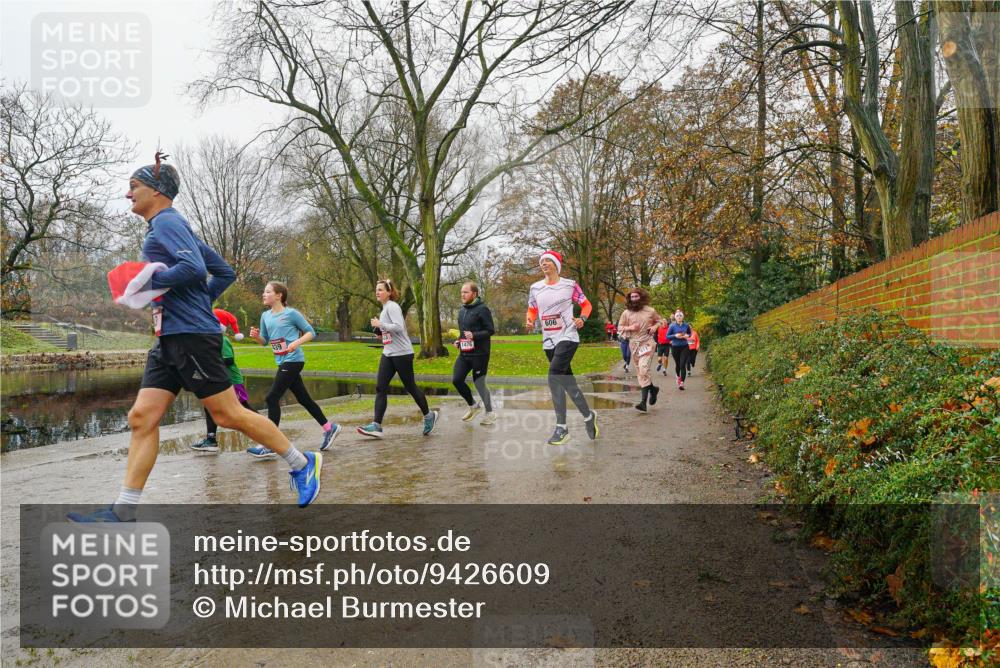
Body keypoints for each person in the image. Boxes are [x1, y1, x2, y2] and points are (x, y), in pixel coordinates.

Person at [69, 153, 322, 521]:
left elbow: (192, 268)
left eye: (134, 186)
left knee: (227, 414)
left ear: (157, 190)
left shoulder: (167, 222)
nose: (128, 194)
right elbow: (223, 271)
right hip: (170, 337)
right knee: (142, 417)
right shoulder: (172, 227)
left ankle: (302, 463)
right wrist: (199, 301)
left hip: (191, 336)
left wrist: (146, 282)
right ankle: (123, 512)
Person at [245, 282, 342, 459]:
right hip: (282, 362)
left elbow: (310, 332)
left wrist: (296, 343)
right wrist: (257, 337)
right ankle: (329, 428)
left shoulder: (291, 314)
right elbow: (265, 341)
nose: (263, 294)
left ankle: (271, 444)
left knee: (271, 397)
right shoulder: (265, 316)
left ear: (279, 295)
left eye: (267, 291)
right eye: (264, 292)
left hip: (294, 360)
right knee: (304, 399)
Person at [525, 250, 599, 445]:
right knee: (568, 383)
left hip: (568, 336)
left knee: (554, 375)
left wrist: (582, 318)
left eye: (548, 261)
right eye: (542, 261)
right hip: (548, 340)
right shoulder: (535, 288)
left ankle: (562, 428)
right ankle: (588, 416)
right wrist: (530, 320)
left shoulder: (570, 285)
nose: (544, 263)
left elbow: (587, 305)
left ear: (556, 265)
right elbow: (532, 308)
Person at [357, 279, 439, 438]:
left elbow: (399, 327)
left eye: (381, 289)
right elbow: (390, 332)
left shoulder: (393, 306)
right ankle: (376, 425)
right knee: (380, 387)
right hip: (388, 353)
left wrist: (381, 324)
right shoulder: (384, 309)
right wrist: (381, 333)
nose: (377, 292)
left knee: (410, 387)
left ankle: (429, 415)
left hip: (402, 353)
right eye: (376, 290)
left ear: (389, 292)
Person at [191, 308, 253, 452]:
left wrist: (208, 363)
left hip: (232, 381)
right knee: (209, 407)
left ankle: (269, 431)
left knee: (243, 408)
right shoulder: (211, 339)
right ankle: (211, 440)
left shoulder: (221, 339)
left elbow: (229, 360)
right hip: (218, 381)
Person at [452, 282, 497, 426]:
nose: (462, 295)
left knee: (479, 383)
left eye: (466, 292)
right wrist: (459, 341)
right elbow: (463, 332)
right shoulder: (462, 310)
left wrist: (474, 335)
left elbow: (490, 330)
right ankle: (473, 406)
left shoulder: (482, 309)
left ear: (474, 294)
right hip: (465, 353)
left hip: (480, 354)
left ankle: (490, 413)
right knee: (456, 380)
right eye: (461, 292)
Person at [617, 288, 664, 412]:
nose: (634, 299)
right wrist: (630, 327)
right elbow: (620, 327)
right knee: (640, 372)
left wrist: (655, 326)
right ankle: (653, 389)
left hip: (647, 343)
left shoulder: (650, 310)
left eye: (636, 297)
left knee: (643, 368)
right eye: (632, 297)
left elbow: (661, 321)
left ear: (641, 297)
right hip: (634, 344)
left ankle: (643, 402)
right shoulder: (626, 313)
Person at [666, 310, 692, 390]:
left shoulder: (686, 325)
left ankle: (682, 383)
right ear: (675, 317)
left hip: (684, 347)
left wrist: (687, 336)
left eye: (680, 316)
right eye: (677, 316)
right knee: (678, 364)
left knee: (682, 364)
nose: (679, 317)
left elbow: (690, 333)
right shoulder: (672, 326)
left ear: (683, 317)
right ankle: (678, 376)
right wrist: (675, 335)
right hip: (675, 347)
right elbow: (667, 336)